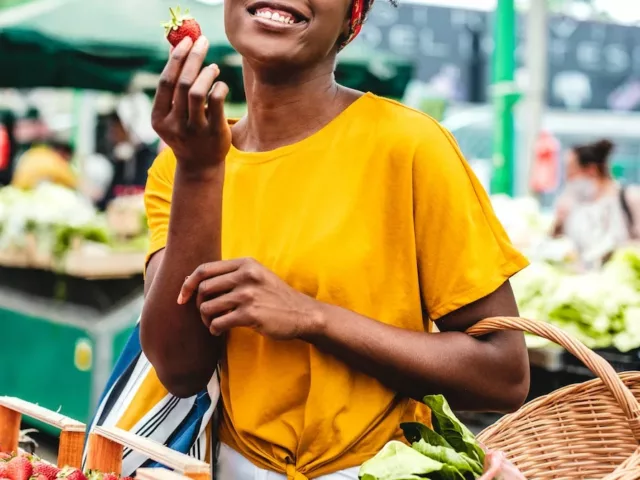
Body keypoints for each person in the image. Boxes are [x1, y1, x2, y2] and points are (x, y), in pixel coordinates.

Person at [140, 0, 530, 478]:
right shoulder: (182, 165)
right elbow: (179, 371)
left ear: (352, 17)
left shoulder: (409, 147)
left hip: (384, 468)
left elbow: (504, 374)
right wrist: (199, 173)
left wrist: (314, 318)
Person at [552, 139, 640, 268]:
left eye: (571, 171)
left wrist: (620, 252)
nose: (568, 179)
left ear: (591, 170)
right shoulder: (572, 205)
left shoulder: (629, 198)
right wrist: (558, 225)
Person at [11, 140, 77, 190]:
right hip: (31, 192)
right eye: (67, 159)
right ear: (62, 152)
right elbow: (72, 182)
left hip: (17, 189)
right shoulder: (53, 159)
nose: (66, 162)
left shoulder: (35, 152)